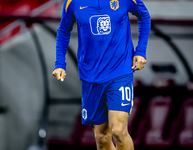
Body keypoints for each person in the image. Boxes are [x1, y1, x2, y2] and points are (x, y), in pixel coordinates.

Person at [53, 0, 151, 149]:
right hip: (90, 75)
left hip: (120, 71)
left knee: (118, 130)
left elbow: (144, 16)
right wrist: (60, 63)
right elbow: (63, 31)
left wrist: (141, 51)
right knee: (102, 137)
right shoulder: (72, 3)